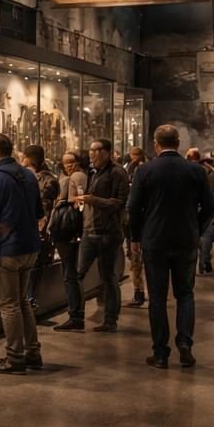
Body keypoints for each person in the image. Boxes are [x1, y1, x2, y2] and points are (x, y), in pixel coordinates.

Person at [128, 127, 214, 369]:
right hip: (186, 239)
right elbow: (210, 206)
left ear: (156, 144)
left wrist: (135, 237)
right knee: (185, 294)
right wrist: (196, 227)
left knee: (157, 297)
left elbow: (133, 208)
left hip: (154, 240)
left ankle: (161, 352)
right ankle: (185, 342)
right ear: (177, 143)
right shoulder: (195, 170)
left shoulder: (145, 170)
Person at [0, 134, 42, 374]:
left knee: (9, 305)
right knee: (22, 301)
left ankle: (15, 357)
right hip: (30, 247)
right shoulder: (30, 175)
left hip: (7, 250)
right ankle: (32, 352)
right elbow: (37, 212)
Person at [75, 139, 130, 333]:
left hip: (108, 233)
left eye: (96, 150)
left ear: (106, 152)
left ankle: (110, 320)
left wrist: (93, 200)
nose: (92, 154)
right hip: (90, 231)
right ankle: (76, 317)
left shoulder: (117, 172)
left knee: (108, 277)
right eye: (90, 150)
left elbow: (120, 202)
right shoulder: (94, 172)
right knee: (76, 274)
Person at [53, 150, 90, 331]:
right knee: (70, 273)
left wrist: (66, 203)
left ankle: (75, 315)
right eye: (65, 162)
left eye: (71, 162)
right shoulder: (76, 175)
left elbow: (80, 201)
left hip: (69, 230)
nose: (68, 166)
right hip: (72, 229)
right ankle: (75, 314)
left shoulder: (77, 176)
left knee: (70, 274)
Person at [21, 145, 58, 323]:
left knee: (33, 273)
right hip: (31, 233)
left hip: (37, 234)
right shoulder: (36, 178)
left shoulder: (45, 181)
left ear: (29, 158)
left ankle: (30, 308)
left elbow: (42, 211)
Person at [124, 147, 148, 307]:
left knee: (137, 261)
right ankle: (139, 292)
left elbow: (133, 206)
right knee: (136, 261)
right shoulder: (131, 169)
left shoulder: (141, 170)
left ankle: (139, 293)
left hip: (141, 225)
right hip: (139, 225)